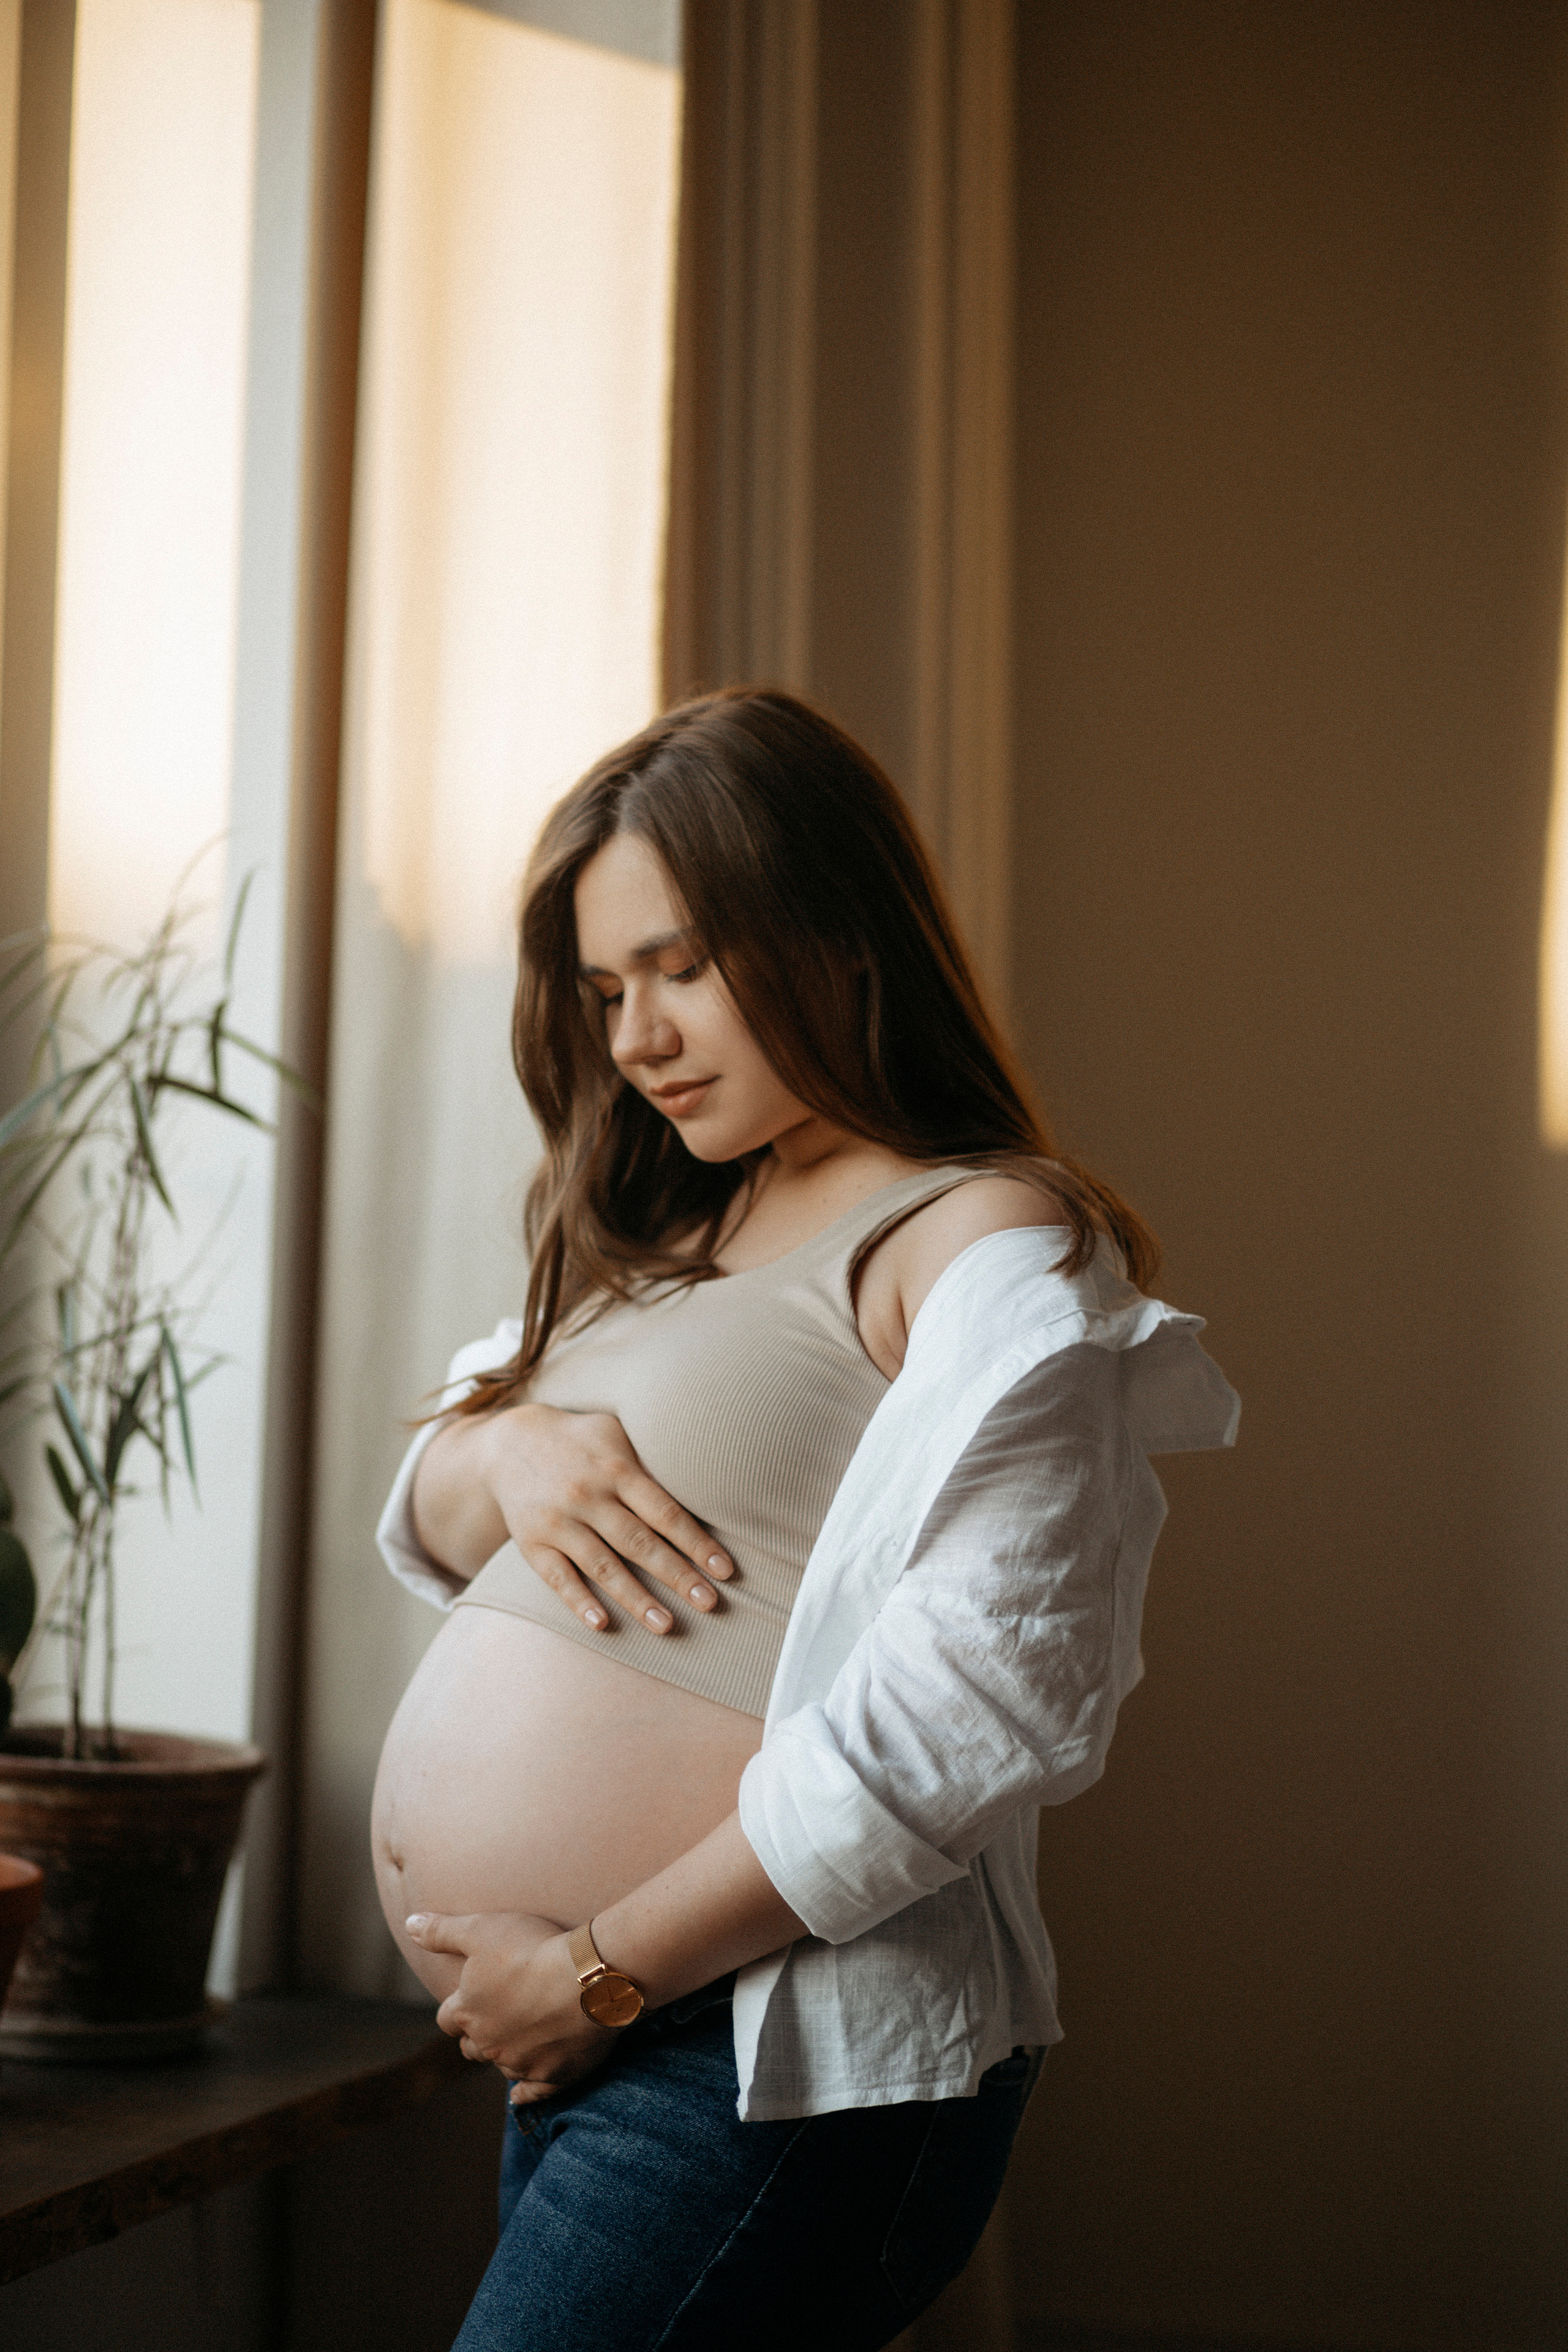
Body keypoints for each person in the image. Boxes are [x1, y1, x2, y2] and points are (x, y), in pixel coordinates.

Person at [372, 687, 1238, 2352]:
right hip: (598, 2046)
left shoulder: (982, 1238)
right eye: (607, 987)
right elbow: (426, 1503)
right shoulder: (661, 1226)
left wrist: (602, 1970)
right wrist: (523, 1454)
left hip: (755, 2058)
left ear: (839, 933)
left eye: (680, 966)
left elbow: (979, 1706)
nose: (634, 1038)